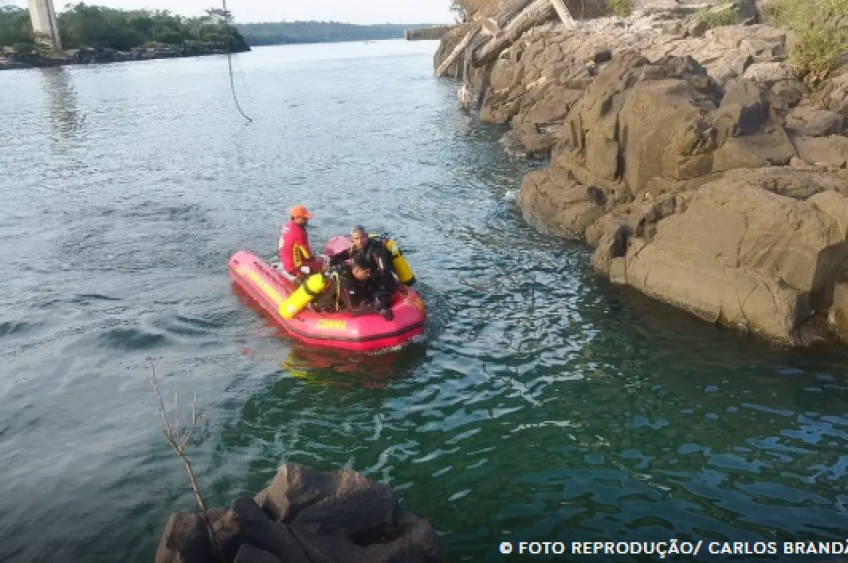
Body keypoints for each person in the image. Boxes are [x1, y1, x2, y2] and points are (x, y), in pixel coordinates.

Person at [312, 255, 394, 320]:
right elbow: (353, 309)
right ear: (356, 271)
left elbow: (371, 290)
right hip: (330, 305)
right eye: (366, 272)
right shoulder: (345, 281)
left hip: (347, 299)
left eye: (369, 272)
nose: (369, 275)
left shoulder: (363, 277)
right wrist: (377, 309)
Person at [329, 225, 397, 294]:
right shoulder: (355, 247)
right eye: (357, 238)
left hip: (378, 279)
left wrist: (382, 289)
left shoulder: (377, 249)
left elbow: (385, 270)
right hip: (365, 274)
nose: (360, 241)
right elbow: (344, 255)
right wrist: (330, 262)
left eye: (362, 237)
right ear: (352, 239)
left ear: (367, 236)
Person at [278, 205, 321, 283]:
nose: (307, 219)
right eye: (304, 218)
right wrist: (315, 260)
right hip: (294, 268)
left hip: (285, 261)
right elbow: (307, 255)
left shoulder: (286, 225)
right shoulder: (300, 232)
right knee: (323, 262)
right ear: (297, 218)